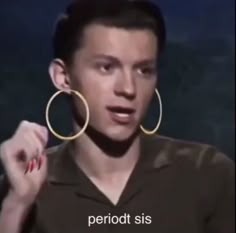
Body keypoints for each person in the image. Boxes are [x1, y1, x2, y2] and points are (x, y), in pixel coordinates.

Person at [0, 0, 235, 232]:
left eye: (144, 70)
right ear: (63, 77)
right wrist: (16, 206)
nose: (128, 88)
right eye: (107, 67)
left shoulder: (207, 174)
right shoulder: (24, 186)